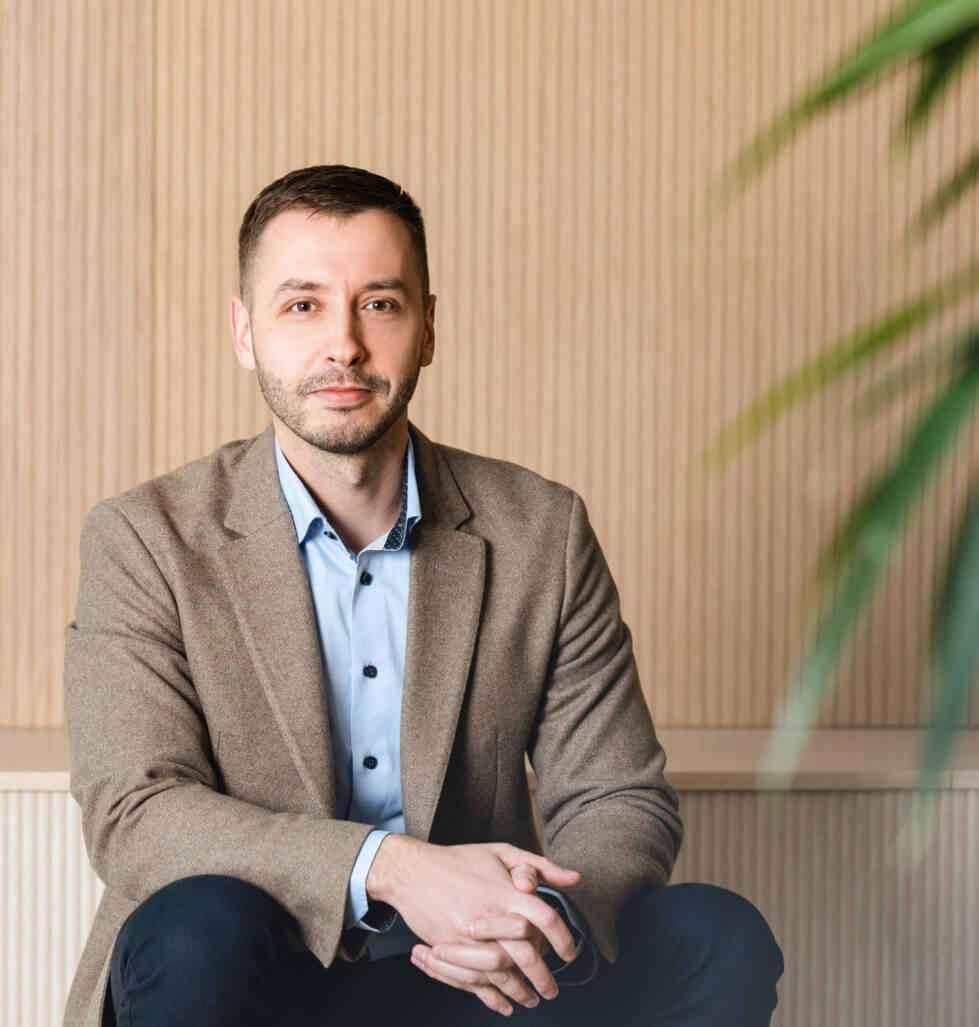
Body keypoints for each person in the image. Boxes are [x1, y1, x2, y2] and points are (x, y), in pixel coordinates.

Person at [63, 165, 783, 1027]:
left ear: (428, 327)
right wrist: (392, 867)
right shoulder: (144, 537)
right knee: (198, 922)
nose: (344, 345)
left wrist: (536, 920)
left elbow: (616, 795)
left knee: (716, 934)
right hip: (253, 971)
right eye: (302, 305)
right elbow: (136, 811)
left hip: (472, 979)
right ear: (244, 331)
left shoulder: (539, 530)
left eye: (379, 303)